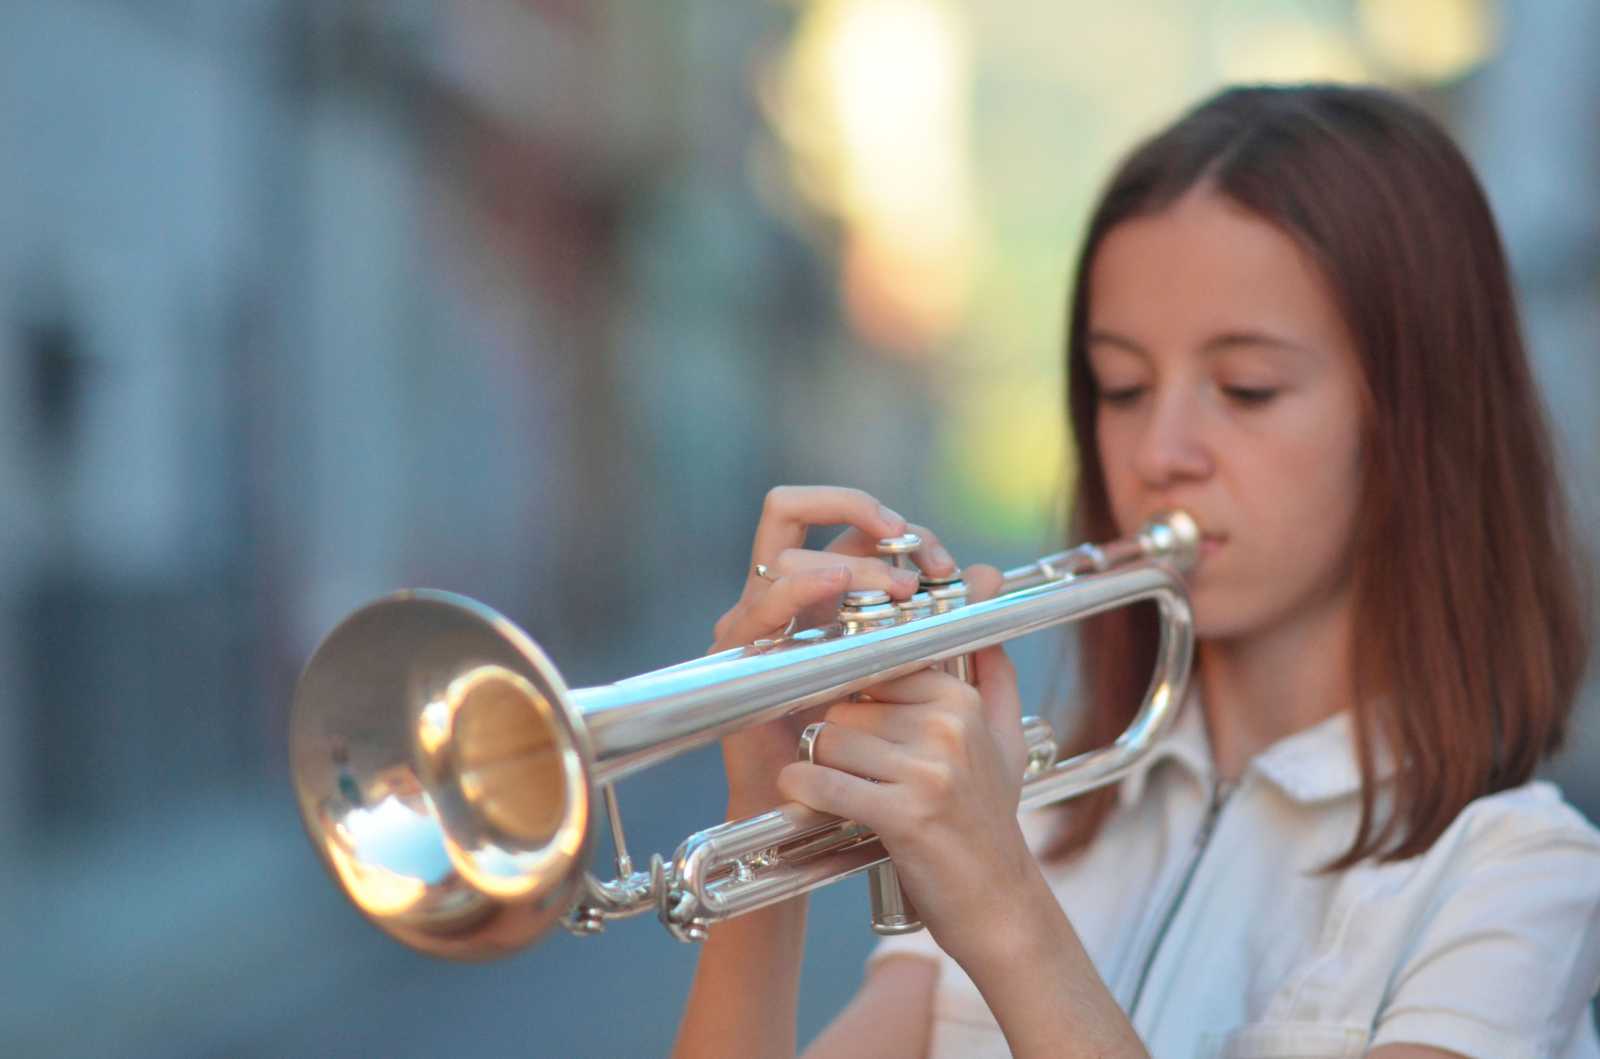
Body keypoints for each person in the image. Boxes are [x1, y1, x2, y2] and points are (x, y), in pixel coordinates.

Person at [671, 84, 1600, 1058]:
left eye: (1244, 389)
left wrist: (1006, 909)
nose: (1160, 451)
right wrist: (766, 812)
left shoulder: (1517, 880)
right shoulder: (1040, 819)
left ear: (1415, 419)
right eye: (1121, 387)